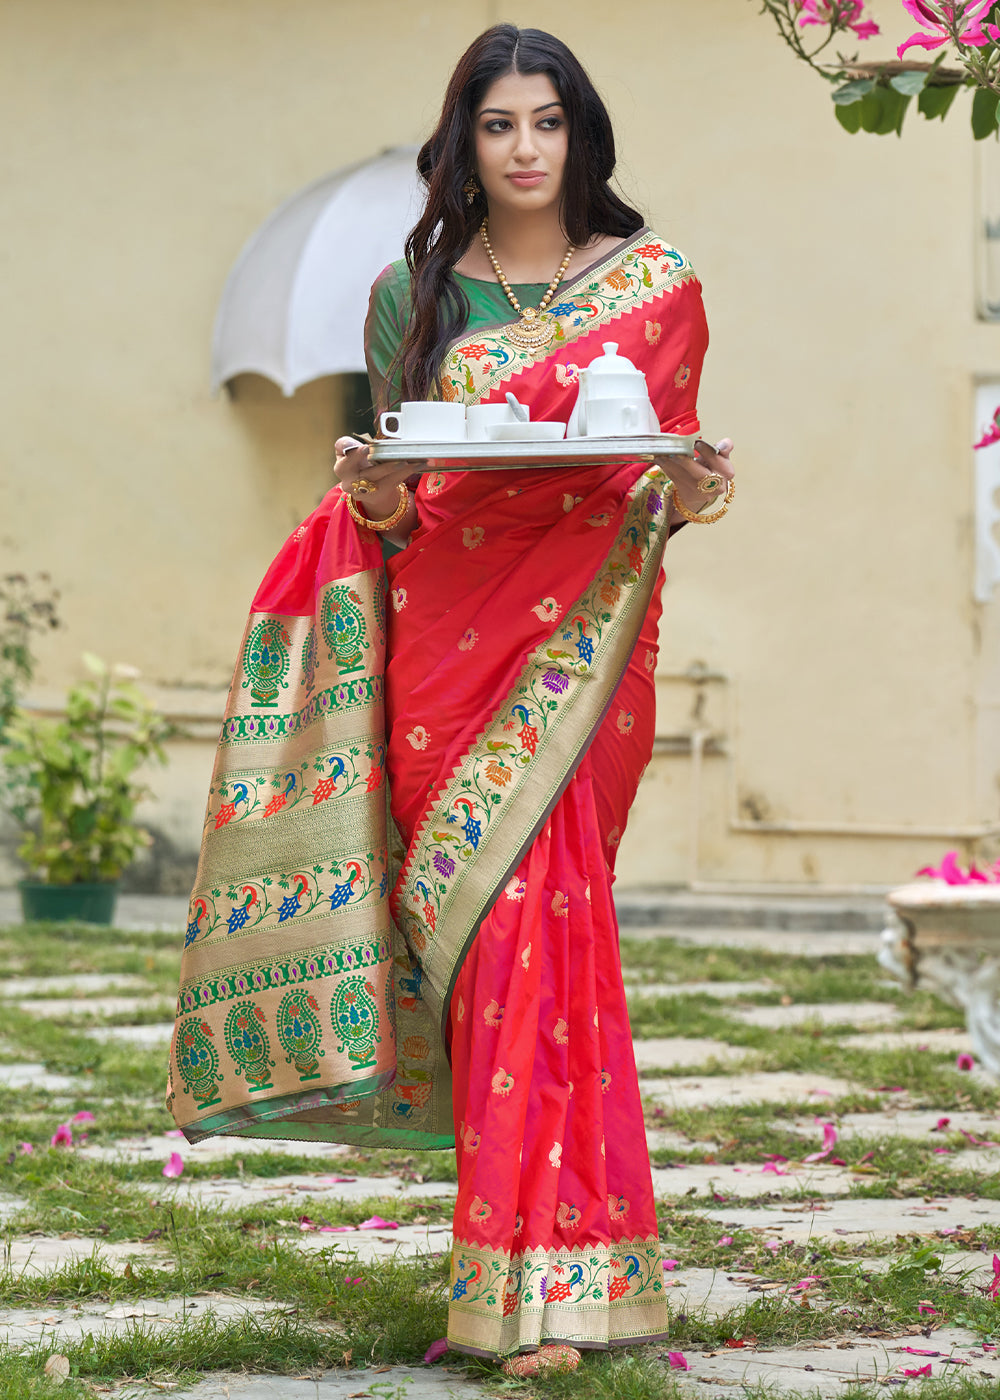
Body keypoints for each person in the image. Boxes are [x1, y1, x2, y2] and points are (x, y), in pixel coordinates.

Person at [167, 23, 733, 1376]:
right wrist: (370, 498)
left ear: (582, 134)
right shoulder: (412, 290)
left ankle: (553, 1290)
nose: (526, 150)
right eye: (499, 126)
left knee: (544, 933)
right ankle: (519, 1272)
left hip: (575, 659)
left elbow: (651, 485)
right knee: (483, 962)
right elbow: (406, 502)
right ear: (464, 142)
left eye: (547, 123)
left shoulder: (656, 287)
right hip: (438, 663)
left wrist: (695, 491)